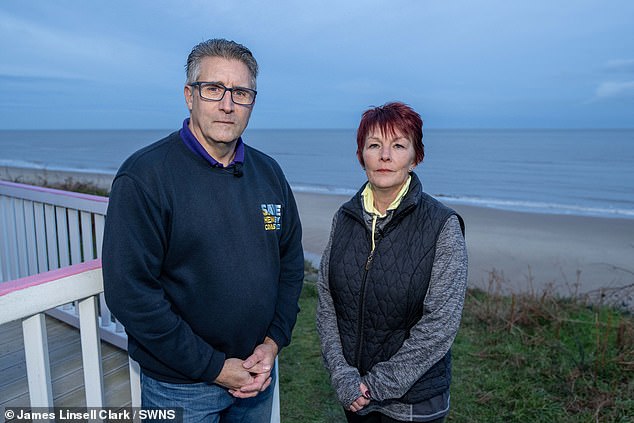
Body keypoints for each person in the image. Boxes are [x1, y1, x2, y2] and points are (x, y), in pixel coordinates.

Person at [102, 38, 304, 422]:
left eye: (240, 93)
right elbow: (130, 293)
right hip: (181, 388)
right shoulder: (145, 177)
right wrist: (214, 367)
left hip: (257, 374)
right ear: (189, 96)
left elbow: (290, 263)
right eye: (214, 89)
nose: (228, 104)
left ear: (252, 102)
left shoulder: (269, 173)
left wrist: (274, 341)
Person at [316, 102, 468, 423]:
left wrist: (376, 386)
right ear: (361, 156)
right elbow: (327, 303)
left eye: (398, 146)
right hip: (353, 394)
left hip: (414, 403)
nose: (385, 156)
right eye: (374, 145)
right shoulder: (344, 218)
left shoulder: (442, 225)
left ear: (416, 157)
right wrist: (343, 376)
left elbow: (440, 324)